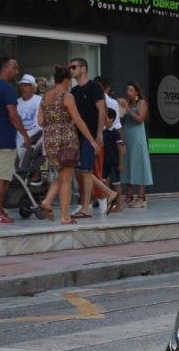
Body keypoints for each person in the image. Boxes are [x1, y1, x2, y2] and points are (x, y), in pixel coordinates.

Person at [0, 57, 32, 225]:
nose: (17, 71)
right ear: (5, 68)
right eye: (15, 67)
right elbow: (13, 114)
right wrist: (25, 136)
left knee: (1, 175)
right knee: (3, 178)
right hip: (4, 139)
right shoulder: (7, 88)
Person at [37, 65, 88, 225]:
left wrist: (53, 121)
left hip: (50, 139)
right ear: (66, 80)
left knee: (62, 175)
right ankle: (64, 216)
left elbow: (40, 121)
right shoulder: (67, 96)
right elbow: (78, 120)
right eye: (70, 81)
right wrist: (92, 140)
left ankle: (47, 201)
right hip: (66, 139)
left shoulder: (45, 97)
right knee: (66, 179)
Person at [67, 57, 118, 217]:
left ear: (83, 68)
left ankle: (86, 207)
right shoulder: (74, 91)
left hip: (90, 135)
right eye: (70, 67)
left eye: (74, 67)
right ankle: (109, 193)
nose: (71, 70)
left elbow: (101, 109)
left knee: (86, 169)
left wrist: (98, 134)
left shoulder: (94, 87)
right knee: (82, 171)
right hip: (79, 136)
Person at [120, 81, 153, 208]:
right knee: (129, 164)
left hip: (138, 138)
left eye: (131, 90)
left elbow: (140, 119)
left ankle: (141, 196)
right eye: (127, 89)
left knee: (139, 164)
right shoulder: (127, 103)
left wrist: (128, 109)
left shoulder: (141, 103)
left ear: (137, 92)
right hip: (128, 136)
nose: (128, 92)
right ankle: (129, 195)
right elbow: (123, 121)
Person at [102, 106, 124, 210]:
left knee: (116, 183)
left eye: (105, 117)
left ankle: (119, 205)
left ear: (111, 119)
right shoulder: (103, 132)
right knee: (104, 181)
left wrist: (120, 163)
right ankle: (107, 203)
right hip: (105, 162)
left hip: (114, 162)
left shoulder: (115, 133)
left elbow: (120, 148)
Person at [15, 74, 42, 151]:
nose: (23, 88)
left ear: (32, 87)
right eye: (21, 85)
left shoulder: (40, 101)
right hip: (20, 141)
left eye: (26, 85)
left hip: (37, 141)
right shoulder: (16, 103)